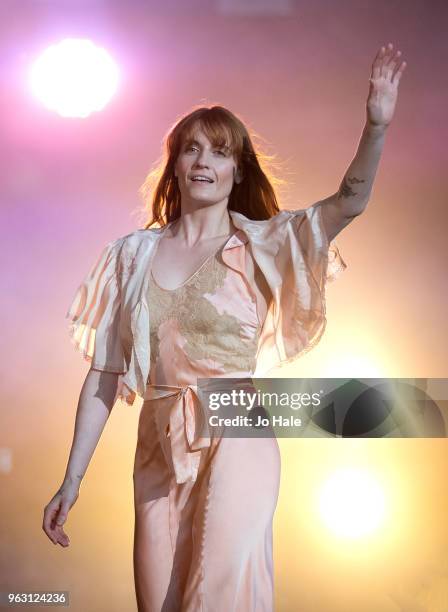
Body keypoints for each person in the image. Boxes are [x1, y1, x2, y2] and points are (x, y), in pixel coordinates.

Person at [42, 43, 406, 611]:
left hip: (235, 423)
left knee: (215, 596)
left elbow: (347, 205)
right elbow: (103, 375)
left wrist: (376, 127)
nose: (204, 161)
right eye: (192, 150)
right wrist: (72, 479)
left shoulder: (261, 244)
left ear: (238, 170)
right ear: (176, 166)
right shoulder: (130, 257)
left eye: (220, 151)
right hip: (158, 446)